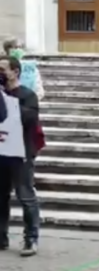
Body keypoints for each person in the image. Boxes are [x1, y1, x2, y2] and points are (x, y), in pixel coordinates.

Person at [0, 56, 42, 256]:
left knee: (26, 196)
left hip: (21, 153)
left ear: (15, 71)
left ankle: (31, 239)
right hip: (1, 152)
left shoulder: (27, 95)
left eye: (2, 69)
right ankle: (1, 237)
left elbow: (29, 119)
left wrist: (8, 102)